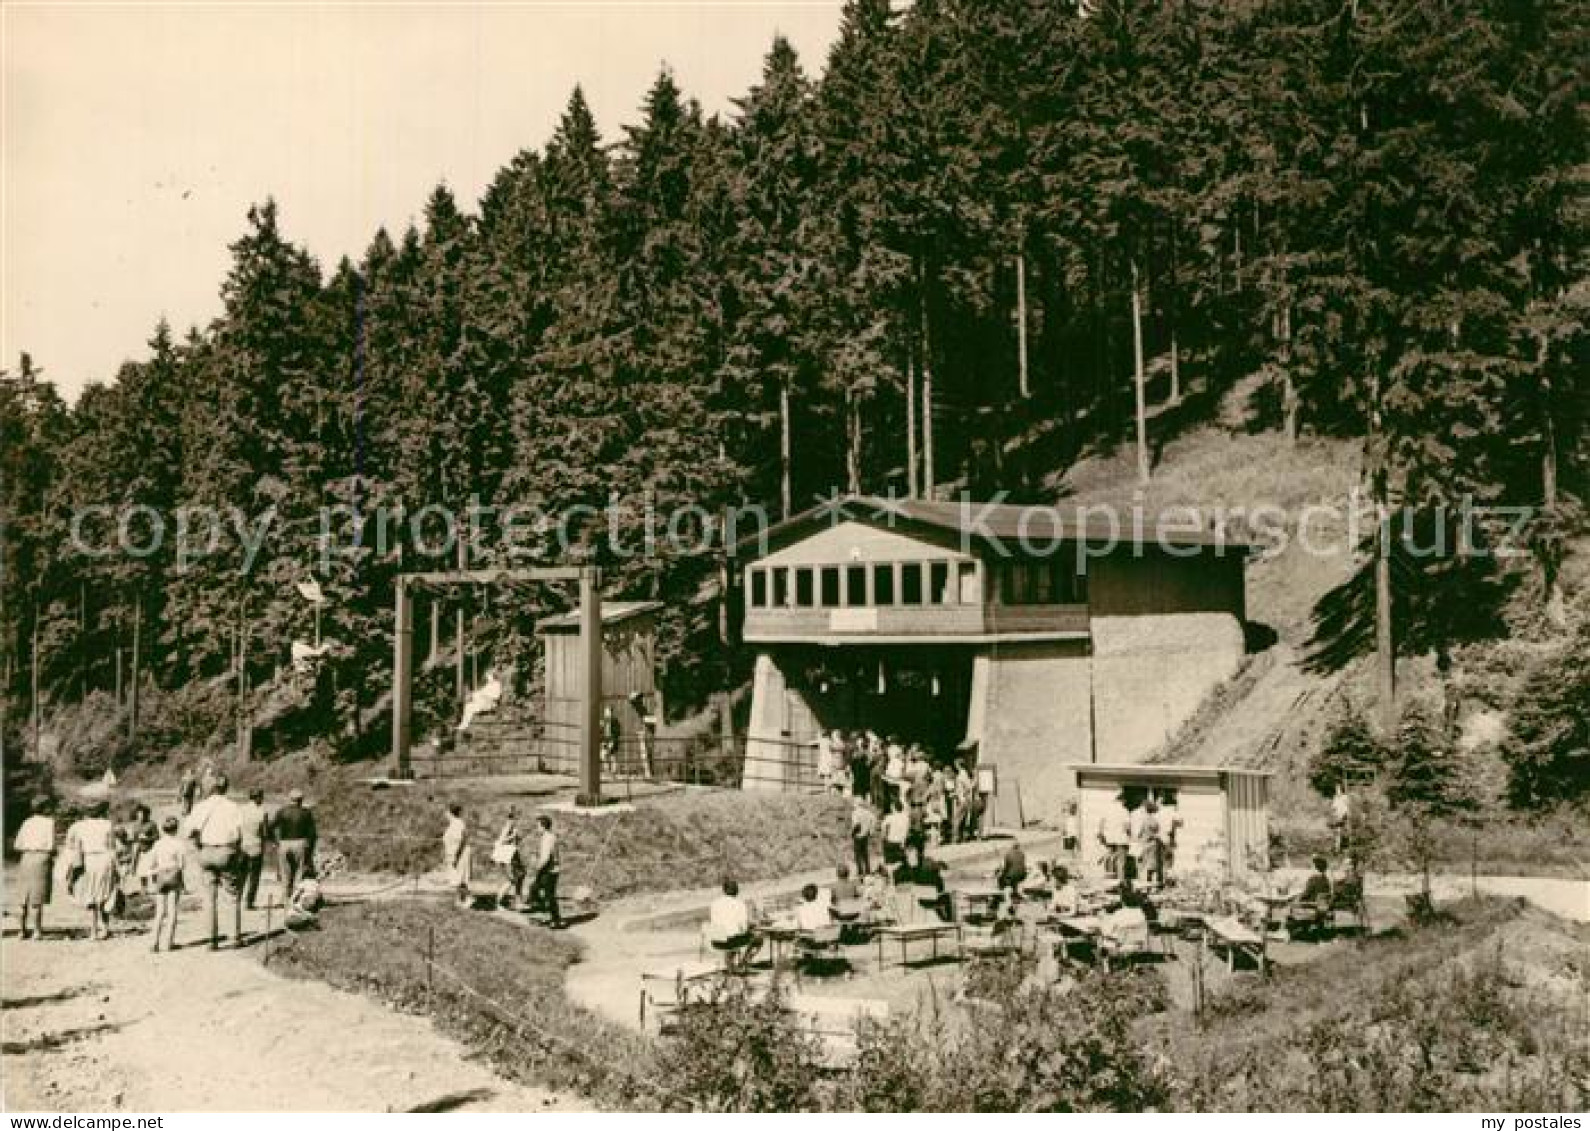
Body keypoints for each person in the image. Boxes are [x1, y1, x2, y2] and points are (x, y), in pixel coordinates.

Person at [188, 774, 244, 949]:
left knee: (209, 898)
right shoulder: (233, 807)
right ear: (225, 788)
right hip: (226, 851)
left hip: (206, 852)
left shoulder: (200, 807)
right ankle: (235, 937)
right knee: (232, 896)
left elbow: (189, 830)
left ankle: (211, 940)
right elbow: (238, 834)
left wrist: (199, 845)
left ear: (210, 788)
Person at [65, 801, 121, 941]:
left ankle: (94, 930)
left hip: (89, 860)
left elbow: (72, 846)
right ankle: (105, 927)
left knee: (91, 894)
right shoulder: (107, 825)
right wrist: (117, 866)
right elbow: (112, 847)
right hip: (105, 859)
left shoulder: (78, 826)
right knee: (104, 892)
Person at [12, 798, 56, 940]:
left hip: (26, 857)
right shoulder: (49, 823)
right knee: (37, 898)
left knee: (23, 896)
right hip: (41, 857)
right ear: (45, 808)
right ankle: (37, 931)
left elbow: (17, 844)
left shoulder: (26, 822)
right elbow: (51, 845)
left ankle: (21, 930)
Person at [146, 817, 188, 953]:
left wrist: (155, 873)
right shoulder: (179, 844)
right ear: (176, 828)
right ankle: (168, 943)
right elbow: (182, 865)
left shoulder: (157, 844)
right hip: (174, 875)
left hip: (161, 875)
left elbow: (151, 863)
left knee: (159, 912)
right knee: (172, 910)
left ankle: (154, 943)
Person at [271, 788, 317, 901]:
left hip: (284, 843)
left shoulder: (282, 811)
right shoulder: (306, 813)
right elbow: (312, 833)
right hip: (300, 843)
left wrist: (275, 841)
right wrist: (310, 849)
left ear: (290, 799)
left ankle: (285, 897)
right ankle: (296, 898)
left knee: (285, 872)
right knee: (299, 872)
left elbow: (271, 827)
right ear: (301, 800)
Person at [526, 814, 563, 928]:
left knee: (548, 895)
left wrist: (536, 868)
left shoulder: (548, 838)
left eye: (537, 826)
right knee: (535, 889)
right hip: (548, 869)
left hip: (549, 871)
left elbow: (546, 858)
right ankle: (548, 916)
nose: (536, 828)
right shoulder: (548, 836)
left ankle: (554, 920)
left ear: (543, 826)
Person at [237, 788, 269, 909]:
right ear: (258, 798)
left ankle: (238, 898)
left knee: (241, 874)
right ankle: (249, 902)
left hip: (243, 845)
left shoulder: (241, 810)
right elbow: (265, 833)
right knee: (254, 876)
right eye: (261, 797)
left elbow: (237, 828)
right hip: (256, 846)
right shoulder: (262, 812)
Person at [442, 804, 473, 908]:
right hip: (455, 853)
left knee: (460, 877)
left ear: (450, 813)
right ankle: (460, 900)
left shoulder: (457, 824)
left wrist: (455, 856)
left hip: (460, 854)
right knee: (458, 877)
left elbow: (460, 841)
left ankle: (468, 898)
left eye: (446, 812)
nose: (445, 814)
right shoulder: (454, 823)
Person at [496, 807, 525, 908]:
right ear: (512, 817)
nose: (518, 819)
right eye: (516, 817)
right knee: (512, 879)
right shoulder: (508, 826)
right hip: (508, 855)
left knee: (520, 875)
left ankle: (518, 900)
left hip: (513, 853)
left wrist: (517, 838)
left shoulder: (512, 826)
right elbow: (501, 841)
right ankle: (499, 901)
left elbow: (515, 840)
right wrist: (513, 836)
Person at [849, 797, 875, 877]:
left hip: (858, 835)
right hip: (865, 834)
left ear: (856, 804)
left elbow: (857, 825)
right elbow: (873, 820)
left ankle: (860, 871)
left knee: (858, 855)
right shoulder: (868, 812)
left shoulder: (855, 813)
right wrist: (870, 831)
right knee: (865, 853)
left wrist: (852, 833)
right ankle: (868, 870)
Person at [881, 802, 910, 867]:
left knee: (890, 862)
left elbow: (883, 826)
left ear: (894, 808)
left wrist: (884, 836)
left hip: (891, 841)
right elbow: (907, 830)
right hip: (901, 842)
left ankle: (891, 875)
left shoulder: (890, 817)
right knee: (900, 862)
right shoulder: (906, 818)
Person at [600, 706, 621, 777]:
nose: (606, 713)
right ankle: (607, 770)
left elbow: (617, 733)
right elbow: (601, 732)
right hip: (605, 740)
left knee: (613, 756)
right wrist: (602, 741)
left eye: (608, 712)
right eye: (606, 712)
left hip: (612, 740)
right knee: (603, 755)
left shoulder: (615, 721)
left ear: (611, 713)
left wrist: (613, 742)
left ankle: (614, 771)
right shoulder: (603, 721)